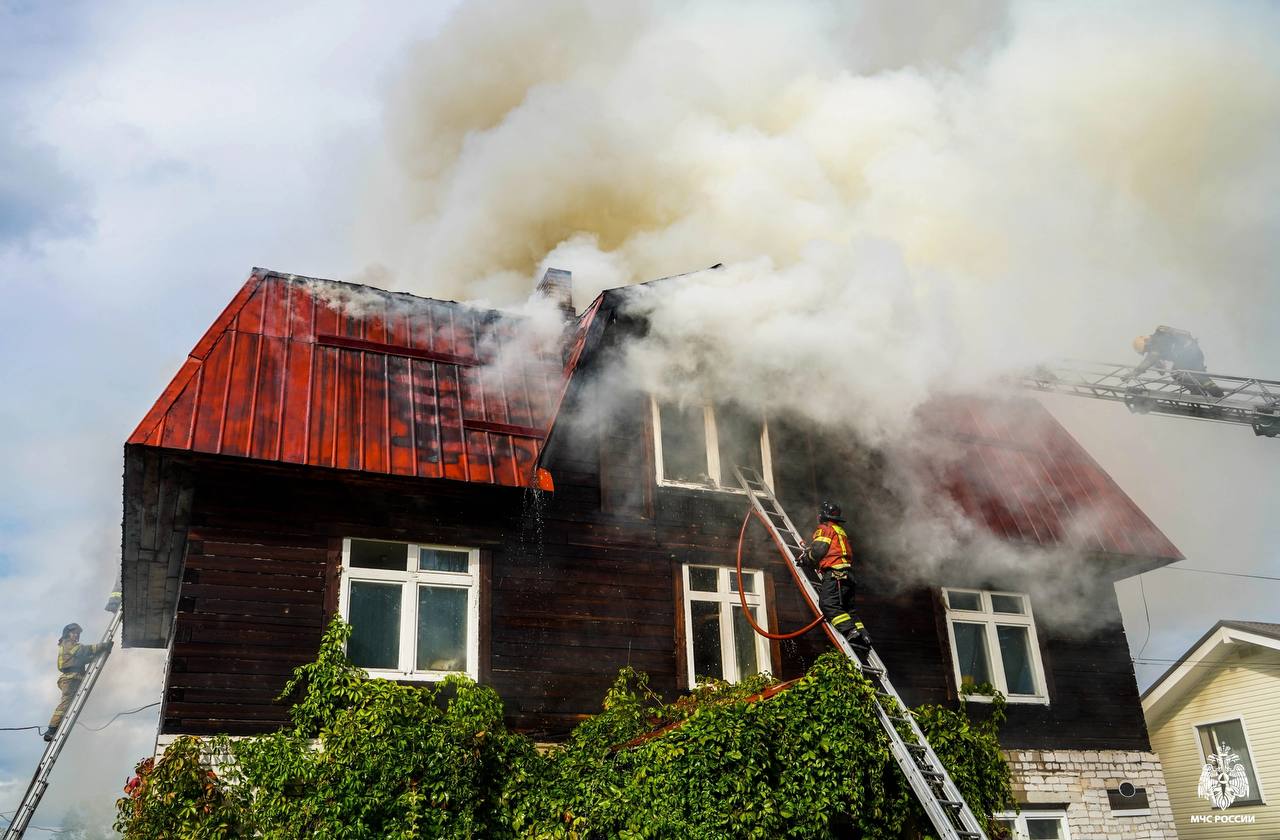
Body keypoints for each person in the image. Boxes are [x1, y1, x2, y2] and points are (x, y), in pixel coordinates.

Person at [801, 501, 871, 651]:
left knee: (827, 604)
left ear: (822, 515)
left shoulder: (824, 529)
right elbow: (832, 551)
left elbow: (818, 551)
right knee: (848, 609)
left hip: (835, 574)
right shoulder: (840, 531)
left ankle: (851, 632)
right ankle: (863, 635)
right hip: (848, 575)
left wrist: (805, 559)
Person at [44, 623, 112, 742]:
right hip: (70, 679)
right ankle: (51, 730)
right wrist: (102, 646)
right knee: (65, 704)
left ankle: (57, 728)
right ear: (67, 634)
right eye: (74, 633)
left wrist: (98, 655)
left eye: (77, 634)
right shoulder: (67, 643)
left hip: (74, 678)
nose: (76, 635)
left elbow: (82, 658)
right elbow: (82, 651)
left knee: (70, 705)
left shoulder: (71, 646)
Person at [1131, 326, 1224, 397]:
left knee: (1176, 373)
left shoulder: (1157, 342)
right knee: (1200, 376)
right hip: (1195, 353)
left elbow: (1150, 359)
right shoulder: (1160, 341)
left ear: (1147, 342)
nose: (1148, 351)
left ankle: (1197, 391)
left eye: (1146, 349)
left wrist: (1134, 372)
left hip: (1186, 354)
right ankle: (1218, 394)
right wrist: (1158, 366)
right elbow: (1160, 367)